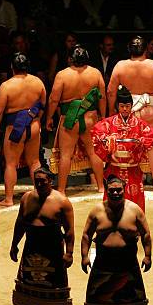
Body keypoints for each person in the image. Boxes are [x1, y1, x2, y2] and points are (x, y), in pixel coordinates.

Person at [81, 174, 152, 305]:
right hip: (103, 259)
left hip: (127, 260)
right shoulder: (97, 211)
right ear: (106, 190)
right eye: (112, 190)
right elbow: (86, 235)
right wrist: (84, 256)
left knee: (135, 293)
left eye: (118, 190)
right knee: (96, 293)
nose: (115, 193)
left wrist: (147, 255)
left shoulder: (134, 209)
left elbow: (146, 234)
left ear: (124, 189)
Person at [9, 167, 75, 305]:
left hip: (52, 245)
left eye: (42, 181)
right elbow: (20, 223)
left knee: (58, 283)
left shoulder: (62, 201)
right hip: (32, 243)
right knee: (29, 281)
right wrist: (14, 244)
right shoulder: (27, 198)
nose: (39, 184)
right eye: (36, 181)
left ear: (50, 181)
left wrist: (69, 253)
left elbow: (69, 231)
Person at [108, 36, 153, 193]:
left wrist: (111, 110)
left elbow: (111, 91)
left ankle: (126, 184)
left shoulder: (120, 66)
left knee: (127, 147)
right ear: (146, 49)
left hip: (127, 111)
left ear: (129, 49)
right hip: (151, 108)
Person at [46, 44, 106, 194]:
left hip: (69, 120)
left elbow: (54, 99)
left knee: (65, 155)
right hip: (90, 118)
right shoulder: (95, 73)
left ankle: (61, 190)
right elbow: (102, 97)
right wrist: (103, 116)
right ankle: (101, 187)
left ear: (70, 59)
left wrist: (49, 117)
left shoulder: (62, 75)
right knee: (93, 152)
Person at [91, 86, 153, 211]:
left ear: (131, 106)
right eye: (122, 106)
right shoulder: (108, 123)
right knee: (112, 200)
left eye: (127, 106)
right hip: (114, 169)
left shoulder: (139, 123)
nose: (125, 109)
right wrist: (107, 140)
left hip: (133, 169)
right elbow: (96, 132)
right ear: (117, 106)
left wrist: (140, 142)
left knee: (135, 204)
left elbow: (151, 134)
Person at [0, 53, 46, 207]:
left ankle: (9, 199)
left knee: (10, 163)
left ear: (12, 67)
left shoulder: (7, 85)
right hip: (34, 124)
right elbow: (42, 104)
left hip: (15, 126)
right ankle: (39, 193)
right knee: (35, 161)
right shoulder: (38, 82)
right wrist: (37, 119)